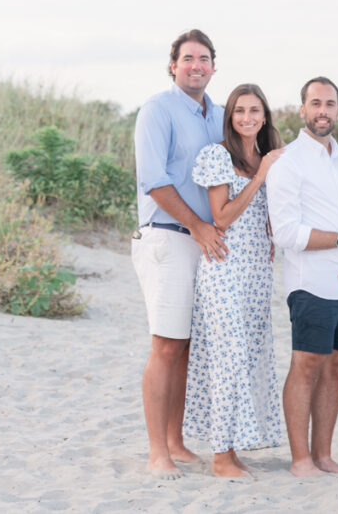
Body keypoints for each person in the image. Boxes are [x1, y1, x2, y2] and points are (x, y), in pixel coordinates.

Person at [267, 76, 338, 477]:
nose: (323, 111)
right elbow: (284, 233)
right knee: (307, 364)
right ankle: (300, 459)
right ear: (302, 109)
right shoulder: (287, 162)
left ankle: (324, 454)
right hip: (311, 282)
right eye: (315, 103)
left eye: (330, 104)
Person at [131, 28, 227, 479]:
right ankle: (157, 452)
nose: (196, 65)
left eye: (204, 58)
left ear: (213, 66)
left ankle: (176, 440)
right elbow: (154, 179)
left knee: (187, 347)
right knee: (166, 345)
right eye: (188, 58)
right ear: (173, 65)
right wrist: (197, 225)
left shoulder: (221, 114)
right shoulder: (158, 109)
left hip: (206, 242)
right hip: (169, 237)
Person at [183, 84, 284, 477]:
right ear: (230, 117)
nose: (247, 117)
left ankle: (233, 448)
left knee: (246, 358)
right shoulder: (218, 156)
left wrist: (272, 233)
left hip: (258, 270)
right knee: (227, 359)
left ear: (264, 115)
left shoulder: (268, 156)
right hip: (224, 267)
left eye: (254, 110)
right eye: (239, 110)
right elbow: (221, 217)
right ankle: (220, 456)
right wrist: (259, 177)